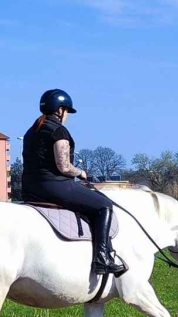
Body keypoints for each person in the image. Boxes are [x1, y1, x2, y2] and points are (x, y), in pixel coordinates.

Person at [21, 89, 127, 276]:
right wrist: (82, 173)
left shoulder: (32, 131)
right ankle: (102, 258)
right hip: (54, 185)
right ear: (60, 110)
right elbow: (64, 167)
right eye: (68, 111)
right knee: (104, 205)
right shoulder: (58, 130)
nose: (67, 116)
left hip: (30, 187)